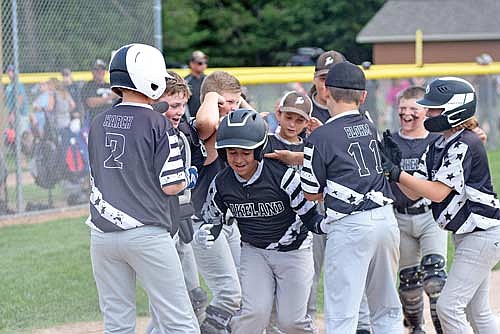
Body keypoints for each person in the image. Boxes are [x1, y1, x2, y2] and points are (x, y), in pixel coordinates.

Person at [86, 43, 199, 334]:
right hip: (147, 233)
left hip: (102, 236)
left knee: (117, 324)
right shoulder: (159, 124)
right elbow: (172, 185)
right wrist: (189, 176)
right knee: (180, 321)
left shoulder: (97, 123)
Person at [382, 77, 500, 334]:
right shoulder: (439, 144)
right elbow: (414, 192)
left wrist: (396, 174)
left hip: (482, 235)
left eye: (435, 108)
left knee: (448, 307)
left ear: (454, 110)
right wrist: (395, 169)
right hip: (469, 236)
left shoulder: (464, 143)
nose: (429, 113)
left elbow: (436, 193)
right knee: (476, 311)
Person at [194, 109, 324, 333]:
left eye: (245, 152)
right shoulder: (223, 183)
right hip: (255, 252)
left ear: (258, 150)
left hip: (294, 252)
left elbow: (310, 216)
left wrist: (327, 225)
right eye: (232, 153)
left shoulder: (283, 176)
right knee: (254, 315)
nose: (238, 159)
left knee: (291, 322)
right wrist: (207, 231)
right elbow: (212, 218)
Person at [301, 61, 403, 334]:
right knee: (386, 308)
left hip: (349, 226)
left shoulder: (319, 137)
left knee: (342, 313)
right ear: (363, 96)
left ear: (325, 92)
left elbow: (311, 193)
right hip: (386, 219)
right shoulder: (370, 125)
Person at [192, 70, 253, 333]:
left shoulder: (232, 130)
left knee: (245, 292)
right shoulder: (203, 129)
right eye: (224, 102)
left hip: (229, 223)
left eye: (235, 102)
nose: (231, 108)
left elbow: (260, 123)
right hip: (203, 225)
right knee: (229, 294)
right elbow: (205, 122)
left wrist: (237, 103)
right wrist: (212, 97)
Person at [390, 86, 446, 334]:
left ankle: (443, 327)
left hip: (430, 215)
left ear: (425, 111)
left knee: (435, 280)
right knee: (409, 281)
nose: (407, 114)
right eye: (403, 109)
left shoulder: (437, 140)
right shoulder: (390, 141)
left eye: (414, 109)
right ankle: (415, 328)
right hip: (400, 217)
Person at [154, 71, 209, 322]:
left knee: (188, 298)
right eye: (173, 105)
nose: (179, 112)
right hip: (155, 225)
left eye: (183, 105)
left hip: (177, 216)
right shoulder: (150, 135)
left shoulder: (181, 134)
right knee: (170, 301)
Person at [81, 59, 116, 128]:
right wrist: (110, 97)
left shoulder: (111, 85)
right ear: (92, 72)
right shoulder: (88, 86)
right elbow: (90, 103)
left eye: (102, 69)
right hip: (96, 120)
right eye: (97, 70)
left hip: (112, 120)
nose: (100, 72)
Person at [5, 64, 30, 138]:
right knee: (14, 136)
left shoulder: (18, 84)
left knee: (22, 136)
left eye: (12, 71)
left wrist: (13, 113)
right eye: (9, 71)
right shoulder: (9, 85)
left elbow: (20, 99)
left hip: (21, 114)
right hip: (13, 114)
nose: (10, 73)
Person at [185, 50, 208, 118]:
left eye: (205, 62)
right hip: (191, 121)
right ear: (192, 64)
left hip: (206, 120)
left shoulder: (209, 80)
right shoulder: (186, 82)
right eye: (200, 63)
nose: (204, 65)